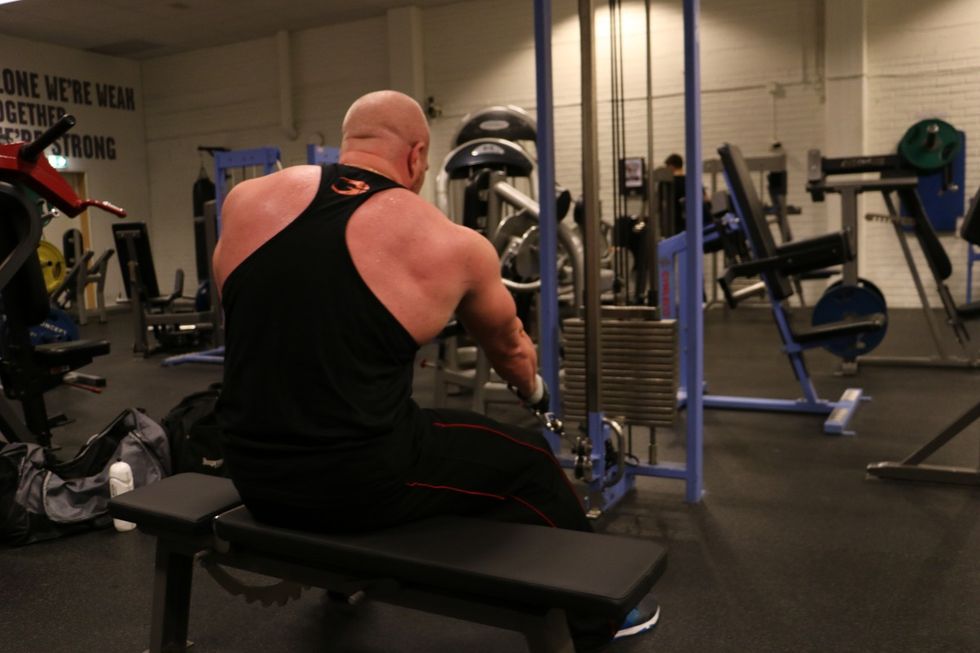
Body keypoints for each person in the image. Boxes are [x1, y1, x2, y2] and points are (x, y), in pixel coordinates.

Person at [213, 90, 658, 649]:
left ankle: (342, 580)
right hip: (356, 487)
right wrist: (536, 394)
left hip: (249, 471)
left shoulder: (246, 200)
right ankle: (602, 616)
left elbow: (259, 314)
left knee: (376, 416)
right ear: (417, 154)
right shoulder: (452, 242)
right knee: (531, 463)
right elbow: (511, 350)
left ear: (350, 140)